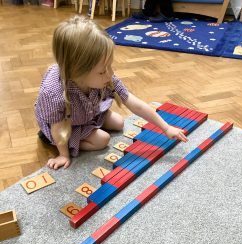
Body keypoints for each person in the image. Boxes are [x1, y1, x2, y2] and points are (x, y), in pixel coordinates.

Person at [35, 16, 187, 170]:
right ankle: (60, 140)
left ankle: (90, 126)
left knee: (119, 122)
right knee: (102, 140)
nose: (110, 74)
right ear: (78, 72)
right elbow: (58, 127)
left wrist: (166, 128)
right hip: (64, 125)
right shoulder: (53, 93)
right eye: (102, 71)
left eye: (110, 66)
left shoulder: (105, 77)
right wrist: (64, 155)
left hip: (87, 112)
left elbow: (135, 104)